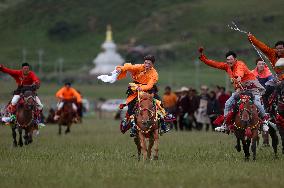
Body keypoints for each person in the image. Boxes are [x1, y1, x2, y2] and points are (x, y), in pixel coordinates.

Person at [199, 49, 267, 132]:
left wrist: (238, 77)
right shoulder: (227, 66)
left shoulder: (240, 64)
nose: (229, 61)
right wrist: (204, 59)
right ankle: (225, 125)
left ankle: (264, 122)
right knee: (228, 103)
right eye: (227, 60)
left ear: (235, 59)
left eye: (231, 59)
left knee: (257, 103)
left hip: (252, 88)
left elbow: (240, 71)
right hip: (240, 89)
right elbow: (216, 64)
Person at [116, 55, 168, 137]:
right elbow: (130, 67)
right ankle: (128, 120)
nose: (146, 64)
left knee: (159, 103)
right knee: (131, 104)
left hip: (148, 90)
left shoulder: (154, 74)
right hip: (135, 89)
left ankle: (163, 123)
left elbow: (150, 85)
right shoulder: (139, 67)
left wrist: (141, 88)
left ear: (152, 65)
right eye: (145, 62)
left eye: (149, 63)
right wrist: (121, 69)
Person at [0, 63, 45, 127]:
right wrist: (1, 68)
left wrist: (36, 82)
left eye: (27, 68)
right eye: (24, 68)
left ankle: (37, 120)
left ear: (29, 69)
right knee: (13, 101)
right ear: (22, 69)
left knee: (40, 105)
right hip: (20, 91)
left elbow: (36, 79)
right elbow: (9, 71)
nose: (26, 70)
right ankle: (11, 117)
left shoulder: (31, 73)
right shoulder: (18, 73)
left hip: (30, 91)